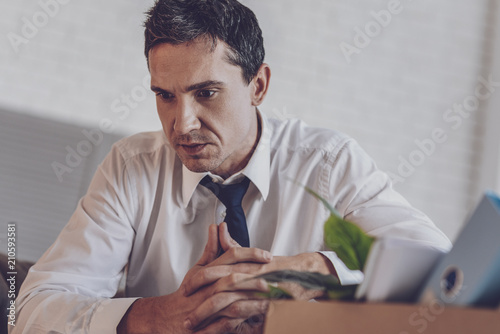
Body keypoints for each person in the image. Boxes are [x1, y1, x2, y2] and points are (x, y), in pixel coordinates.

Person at [12, 0, 451, 333]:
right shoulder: (132, 168)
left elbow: (441, 265)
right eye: (165, 95)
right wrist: (163, 316)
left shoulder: (329, 163)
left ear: (257, 85)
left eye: (206, 93)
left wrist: (319, 272)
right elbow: (31, 310)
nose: (181, 124)